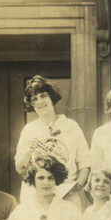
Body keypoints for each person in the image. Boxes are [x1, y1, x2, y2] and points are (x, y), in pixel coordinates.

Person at [14, 75, 90, 209]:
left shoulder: (71, 126)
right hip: (36, 196)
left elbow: (84, 162)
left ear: (51, 97)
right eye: (34, 99)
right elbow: (20, 167)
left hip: (67, 194)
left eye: (43, 96)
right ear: (31, 105)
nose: (40, 101)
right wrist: (29, 151)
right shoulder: (29, 130)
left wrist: (77, 186)